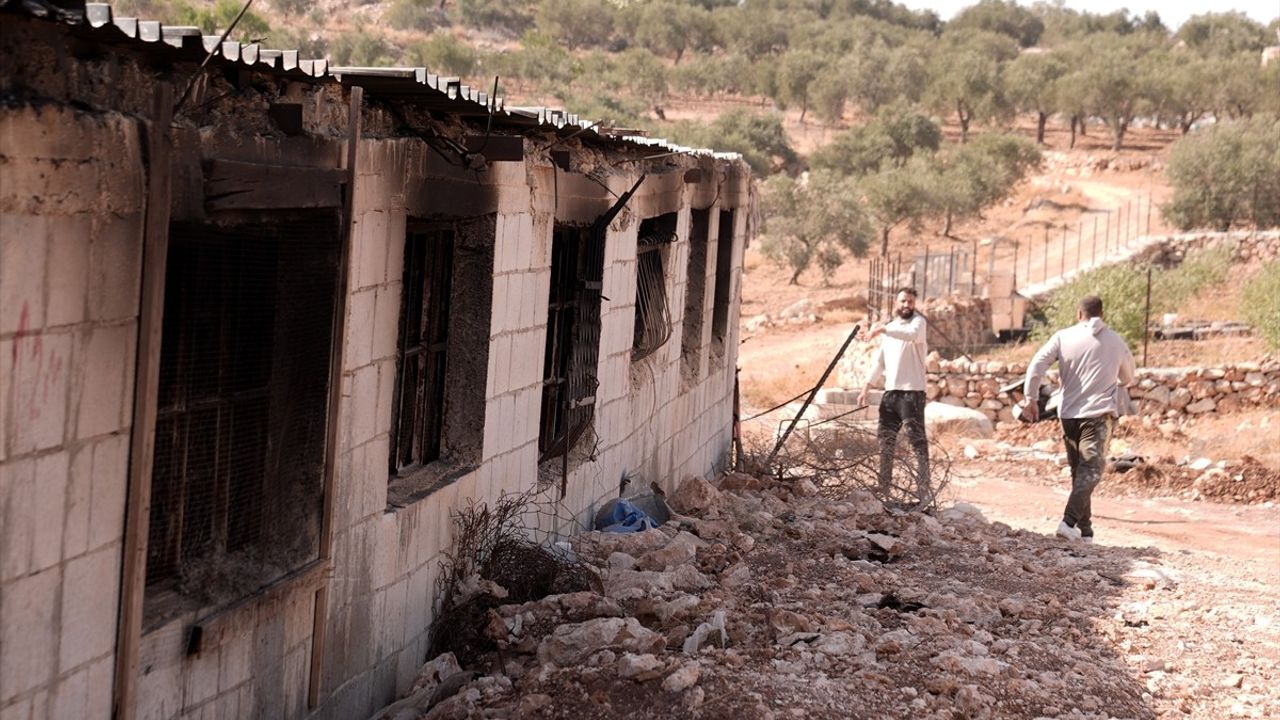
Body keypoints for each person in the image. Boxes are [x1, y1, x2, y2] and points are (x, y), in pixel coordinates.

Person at [1021, 295, 1135, 544]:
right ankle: (1068, 522)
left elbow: (1036, 364)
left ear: (1078, 313)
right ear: (1102, 313)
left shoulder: (1063, 336)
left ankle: (1085, 531)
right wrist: (1113, 380)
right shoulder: (1115, 341)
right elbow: (1129, 377)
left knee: (1079, 471)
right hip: (1098, 414)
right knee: (1092, 469)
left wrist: (1030, 398)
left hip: (1068, 413)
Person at [858, 288, 930, 504]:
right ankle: (884, 485)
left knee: (917, 443)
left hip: (912, 392)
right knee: (885, 440)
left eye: (910, 301)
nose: (906, 305)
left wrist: (881, 330)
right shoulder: (891, 329)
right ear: (896, 303)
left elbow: (911, 336)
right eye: (903, 301)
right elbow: (880, 362)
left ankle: (923, 489)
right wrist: (866, 387)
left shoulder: (918, 323)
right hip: (891, 393)